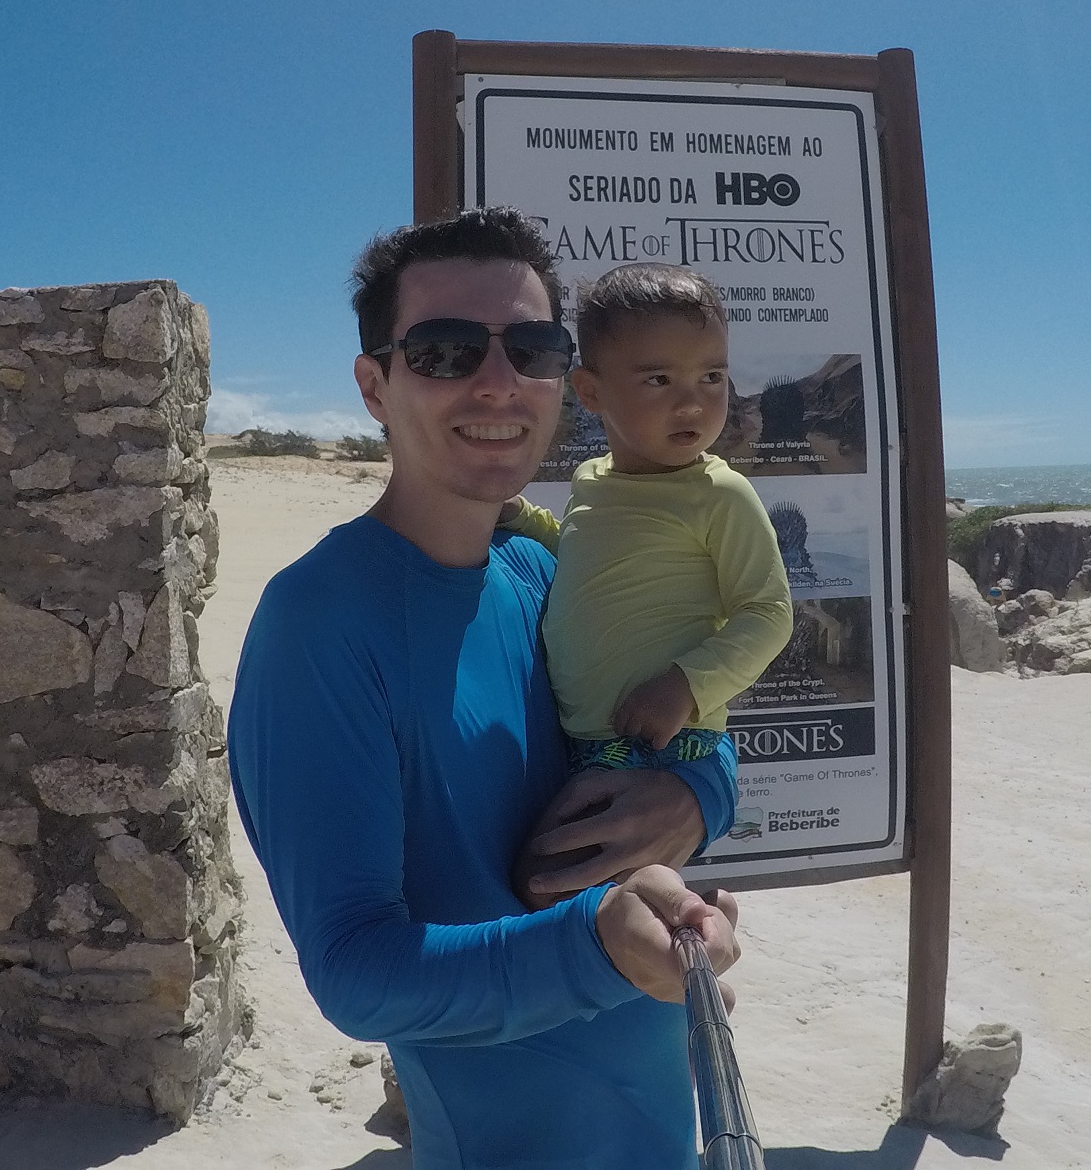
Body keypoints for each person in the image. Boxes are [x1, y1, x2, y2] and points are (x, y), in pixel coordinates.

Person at [227, 207, 742, 1170]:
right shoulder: (319, 625)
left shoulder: (542, 571)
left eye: (533, 349)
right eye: (446, 350)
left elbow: (694, 726)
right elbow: (355, 973)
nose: (499, 382)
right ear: (375, 387)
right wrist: (594, 947)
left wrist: (694, 796)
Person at [500, 264, 792, 906]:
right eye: (659, 379)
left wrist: (685, 686)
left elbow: (768, 612)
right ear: (590, 390)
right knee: (566, 892)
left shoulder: (720, 494)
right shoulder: (592, 480)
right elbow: (583, 551)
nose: (692, 403)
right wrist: (524, 519)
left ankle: (689, 937)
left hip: (664, 743)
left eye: (711, 377)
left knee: (554, 881)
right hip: (587, 741)